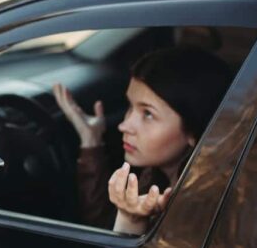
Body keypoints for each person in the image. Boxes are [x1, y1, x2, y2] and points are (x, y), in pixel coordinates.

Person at [53, 46, 232, 235]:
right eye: (130, 106)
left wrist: (132, 221)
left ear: (195, 131)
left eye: (148, 114)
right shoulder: (156, 175)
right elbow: (104, 226)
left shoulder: (198, 212)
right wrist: (91, 140)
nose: (124, 125)